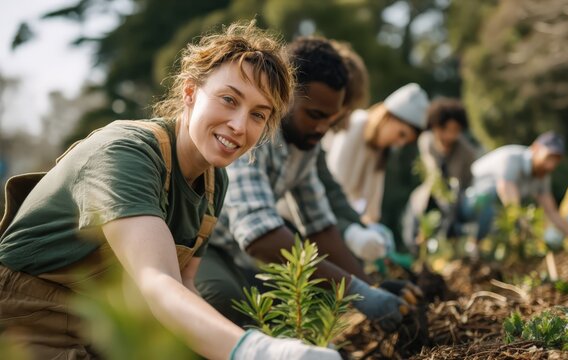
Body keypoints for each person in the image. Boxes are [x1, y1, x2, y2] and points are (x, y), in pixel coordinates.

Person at [0, 22, 340, 360]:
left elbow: (184, 286)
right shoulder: (126, 152)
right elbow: (157, 281)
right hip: (24, 321)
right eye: (228, 99)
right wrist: (257, 352)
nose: (239, 125)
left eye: (258, 115)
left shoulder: (213, 182)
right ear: (190, 92)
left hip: (100, 327)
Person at [195, 36, 412, 332]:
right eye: (314, 115)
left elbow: (320, 225)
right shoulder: (254, 136)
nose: (322, 128)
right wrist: (357, 293)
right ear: (285, 97)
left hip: (234, 251)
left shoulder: (303, 147)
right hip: (199, 243)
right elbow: (260, 236)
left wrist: (371, 288)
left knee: (289, 312)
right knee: (226, 300)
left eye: (331, 119)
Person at [278, 40, 394, 262]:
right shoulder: (296, 131)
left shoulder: (310, 145)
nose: (331, 121)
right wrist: (351, 233)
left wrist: (360, 228)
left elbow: (330, 193)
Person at [325, 83, 430, 225]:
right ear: (388, 116)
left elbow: (372, 208)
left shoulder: (380, 151)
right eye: (401, 134)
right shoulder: (357, 124)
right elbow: (336, 185)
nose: (400, 143)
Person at [460, 131, 568, 243]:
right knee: (494, 204)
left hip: (494, 211)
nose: (551, 165)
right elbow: (509, 198)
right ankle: (473, 244)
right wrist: (526, 228)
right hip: (468, 202)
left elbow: (551, 211)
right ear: (536, 148)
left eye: (556, 160)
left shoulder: (542, 174)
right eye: (549, 157)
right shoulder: (511, 158)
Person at [402, 98, 477, 249]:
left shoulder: (466, 152)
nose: (450, 136)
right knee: (413, 226)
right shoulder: (427, 141)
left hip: (457, 201)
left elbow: (466, 183)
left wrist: (451, 200)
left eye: (455, 131)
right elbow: (433, 173)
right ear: (435, 127)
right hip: (431, 195)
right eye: (445, 130)